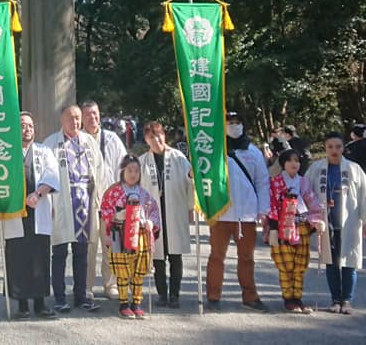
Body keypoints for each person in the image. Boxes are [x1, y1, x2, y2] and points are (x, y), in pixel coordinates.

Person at [306, 132, 366, 315]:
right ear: (325, 148)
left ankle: (347, 300)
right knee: (331, 262)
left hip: (350, 222)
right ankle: (335, 299)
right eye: (330, 147)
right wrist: (311, 218)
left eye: (338, 147)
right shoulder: (316, 169)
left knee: (350, 261)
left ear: (343, 148)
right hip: (327, 222)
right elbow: (307, 192)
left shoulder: (354, 169)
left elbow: (365, 194)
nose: (334, 150)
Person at [43, 105, 106, 313]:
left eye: (78, 118)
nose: (75, 122)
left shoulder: (89, 142)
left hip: (85, 204)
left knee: (82, 253)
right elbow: (44, 175)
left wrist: (100, 201)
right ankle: (60, 297)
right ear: (61, 120)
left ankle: (81, 295)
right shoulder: (51, 143)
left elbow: (100, 171)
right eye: (71, 118)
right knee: (59, 252)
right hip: (60, 204)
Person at [206, 111, 271, 313]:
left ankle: (250, 296)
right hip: (221, 213)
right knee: (217, 256)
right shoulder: (214, 149)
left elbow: (262, 182)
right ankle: (213, 296)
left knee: (246, 257)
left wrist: (263, 210)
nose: (234, 126)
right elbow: (203, 175)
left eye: (237, 122)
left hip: (247, 215)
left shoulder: (254, 152)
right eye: (229, 122)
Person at [0, 112, 60, 319]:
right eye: (23, 126)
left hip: (38, 207)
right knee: (18, 257)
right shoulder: (5, 151)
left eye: (30, 126)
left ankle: (41, 303)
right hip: (15, 212)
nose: (27, 130)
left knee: (39, 257)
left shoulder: (44, 151)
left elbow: (52, 174)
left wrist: (38, 193)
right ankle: (22, 304)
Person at [139, 121, 193, 308]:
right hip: (153, 214)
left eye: (158, 134)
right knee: (158, 256)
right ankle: (162, 294)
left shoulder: (178, 157)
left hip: (174, 210)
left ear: (165, 135)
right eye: (151, 136)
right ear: (146, 140)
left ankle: (175, 294)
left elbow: (190, 182)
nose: (156, 139)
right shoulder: (142, 161)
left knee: (175, 255)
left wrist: (191, 207)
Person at [100, 154, 161, 320]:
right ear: (122, 171)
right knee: (122, 271)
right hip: (119, 233)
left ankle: (136, 302)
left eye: (136, 171)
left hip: (140, 235)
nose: (133, 174)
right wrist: (115, 217)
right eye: (130, 170)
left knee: (138, 270)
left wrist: (150, 222)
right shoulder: (114, 192)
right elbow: (105, 209)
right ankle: (123, 303)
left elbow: (154, 211)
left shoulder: (144, 194)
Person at [267, 149, 324, 313]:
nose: (294, 164)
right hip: (282, 227)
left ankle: (298, 298)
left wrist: (317, 221)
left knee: (300, 265)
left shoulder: (303, 182)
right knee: (286, 265)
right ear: (283, 163)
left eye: (297, 161)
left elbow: (312, 203)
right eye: (290, 161)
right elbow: (272, 205)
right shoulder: (275, 182)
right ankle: (288, 299)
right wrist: (272, 229)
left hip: (302, 226)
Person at [80, 100, 125, 299]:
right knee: (89, 246)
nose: (93, 118)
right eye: (88, 114)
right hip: (87, 200)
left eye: (95, 113)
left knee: (111, 244)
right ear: (81, 118)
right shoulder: (78, 139)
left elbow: (123, 166)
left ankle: (110, 284)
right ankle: (87, 286)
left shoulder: (112, 138)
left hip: (111, 199)